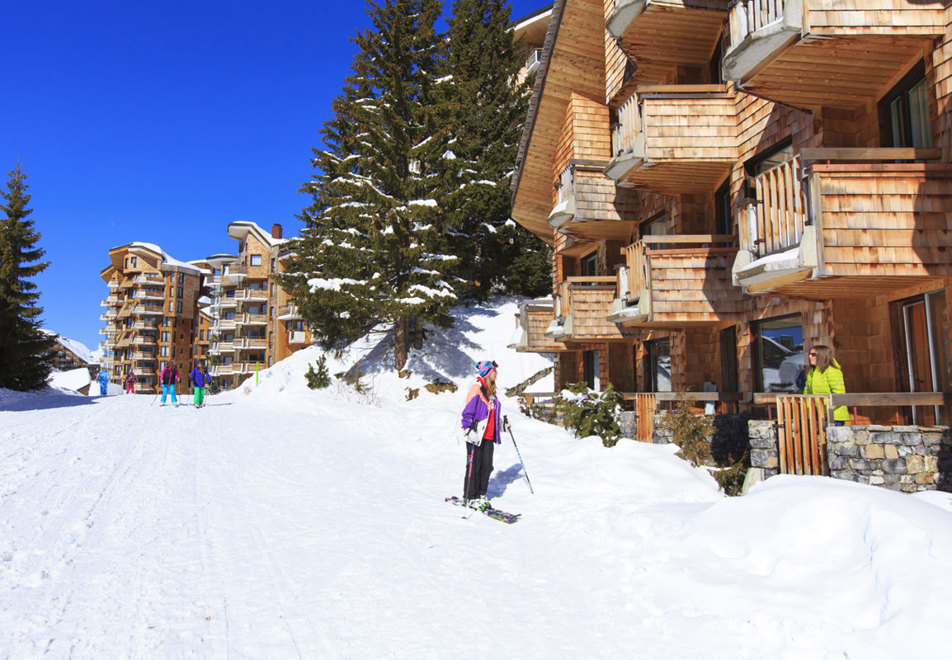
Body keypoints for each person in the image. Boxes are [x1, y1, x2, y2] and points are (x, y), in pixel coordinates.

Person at [460, 360, 502, 507]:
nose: (497, 373)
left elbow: (490, 414)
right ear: (488, 373)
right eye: (494, 371)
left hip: (489, 436)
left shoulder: (490, 392)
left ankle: (481, 494)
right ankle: (470, 496)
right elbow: (467, 413)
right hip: (476, 435)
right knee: (474, 465)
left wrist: (501, 424)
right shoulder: (476, 389)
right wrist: (468, 430)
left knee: (487, 466)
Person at [803, 344, 849, 426]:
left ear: (822, 356)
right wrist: (810, 413)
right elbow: (807, 393)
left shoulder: (832, 371)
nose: (810, 356)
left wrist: (827, 410)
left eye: (813, 354)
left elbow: (839, 394)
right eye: (809, 354)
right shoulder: (811, 372)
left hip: (835, 416)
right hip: (819, 415)